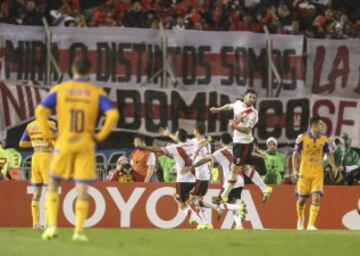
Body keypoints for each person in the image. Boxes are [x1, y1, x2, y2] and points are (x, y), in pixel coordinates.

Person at [36, 58, 119, 241]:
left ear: (72, 70)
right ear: (89, 71)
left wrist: (49, 134)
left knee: (53, 183)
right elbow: (113, 114)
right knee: (82, 186)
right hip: (86, 143)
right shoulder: (95, 91)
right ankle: (79, 231)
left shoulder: (60, 89)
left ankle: (51, 227)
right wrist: (101, 135)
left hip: (64, 142)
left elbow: (40, 111)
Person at [210, 89, 272, 202]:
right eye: (250, 97)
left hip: (244, 145)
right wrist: (218, 109)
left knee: (234, 170)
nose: (252, 99)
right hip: (237, 143)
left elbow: (248, 130)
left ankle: (224, 195)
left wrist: (235, 126)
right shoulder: (238, 104)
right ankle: (265, 188)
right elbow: (229, 106)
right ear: (244, 97)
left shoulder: (253, 113)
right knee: (244, 167)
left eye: (254, 98)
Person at [137, 128, 206, 228]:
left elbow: (157, 149)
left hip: (183, 180)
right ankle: (195, 217)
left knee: (181, 205)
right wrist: (169, 134)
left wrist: (143, 147)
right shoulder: (192, 143)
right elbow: (181, 139)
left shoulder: (175, 148)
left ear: (178, 137)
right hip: (194, 178)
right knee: (181, 198)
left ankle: (201, 223)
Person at [292, 116, 337, 230]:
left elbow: (328, 153)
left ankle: (311, 224)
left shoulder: (324, 138)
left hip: (317, 172)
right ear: (313, 125)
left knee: (316, 197)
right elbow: (295, 154)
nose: (322, 126)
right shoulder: (302, 137)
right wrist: (294, 170)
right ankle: (301, 219)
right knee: (302, 200)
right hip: (304, 172)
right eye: (319, 124)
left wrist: (334, 166)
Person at [19, 118, 57, 229]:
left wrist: (36, 142)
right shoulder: (50, 124)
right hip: (47, 158)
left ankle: (35, 223)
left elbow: (21, 143)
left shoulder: (30, 125)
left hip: (35, 158)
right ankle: (48, 223)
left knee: (37, 192)